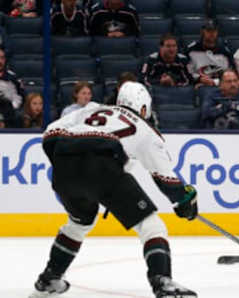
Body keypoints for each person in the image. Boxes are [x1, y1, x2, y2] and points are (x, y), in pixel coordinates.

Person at [29, 82, 198, 298]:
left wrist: (67, 161)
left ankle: (50, 278)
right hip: (102, 165)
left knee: (79, 222)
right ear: (144, 109)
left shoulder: (92, 109)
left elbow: (50, 133)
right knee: (151, 225)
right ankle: (162, 281)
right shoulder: (145, 129)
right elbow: (165, 178)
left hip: (63, 165)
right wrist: (184, 201)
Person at [186, 19, 234, 88]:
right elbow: (188, 71)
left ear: (217, 32)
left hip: (221, 85)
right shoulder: (192, 50)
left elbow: (230, 71)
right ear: (203, 32)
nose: (212, 33)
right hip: (199, 84)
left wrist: (216, 82)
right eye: (208, 31)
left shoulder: (224, 51)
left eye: (214, 31)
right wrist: (199, 79)